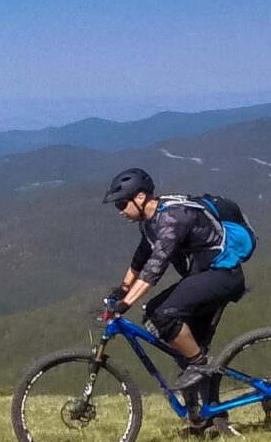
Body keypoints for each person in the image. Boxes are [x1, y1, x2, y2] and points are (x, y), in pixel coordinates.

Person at [99, 167, 246, 393]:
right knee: (174, 336)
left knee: (162, 315)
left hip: (223, 275)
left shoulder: (172, 218)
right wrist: (123, 289)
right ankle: (204, 416)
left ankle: (200, 365)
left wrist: (125, 303)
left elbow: (155, 266)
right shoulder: (149, 221)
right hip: (205, 275)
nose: (119, 211)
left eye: (121, 204)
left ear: (140, 197)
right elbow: (142, 256)